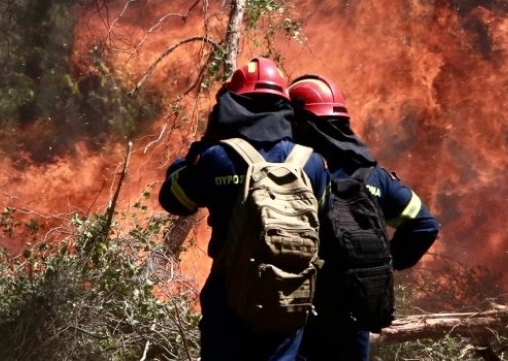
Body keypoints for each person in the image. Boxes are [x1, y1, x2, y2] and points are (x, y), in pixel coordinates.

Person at [158, 57, 330, 361]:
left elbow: (174, 200)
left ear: (233, 106)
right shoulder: (312, 163)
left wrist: (196, 151)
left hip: (229, 298)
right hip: (289, 297)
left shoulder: (216, 158)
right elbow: (323, 223)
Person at [289, 74, 440, 361]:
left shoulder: (298, 173)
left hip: (303, 311)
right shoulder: (375, 178)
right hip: (355, 309)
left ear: (301, 124)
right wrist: (381, 261)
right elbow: (424, 225)